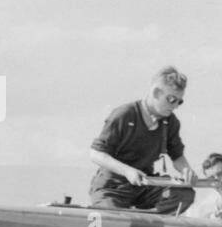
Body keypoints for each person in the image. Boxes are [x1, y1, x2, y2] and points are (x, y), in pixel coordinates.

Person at [88, 67, 209, 214]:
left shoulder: (170, 122)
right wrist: (127, 171)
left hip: (145, 186)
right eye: (171, 100)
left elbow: (177, 156)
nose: (175, 106)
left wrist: (187, 171)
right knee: (112, 220)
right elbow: (96, 154)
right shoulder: (124, 115)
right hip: (113, 188)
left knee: (184, 194)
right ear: (156, 93)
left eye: (179, 102)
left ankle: (150, 222)